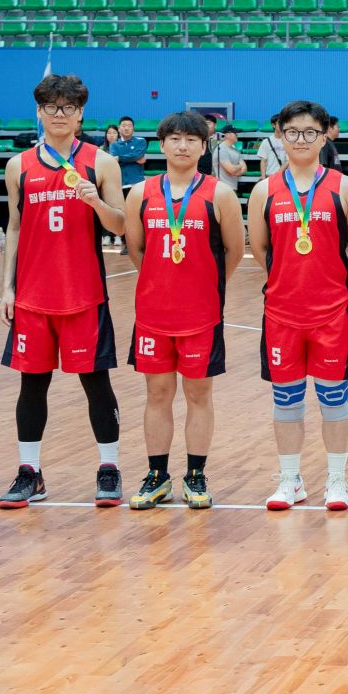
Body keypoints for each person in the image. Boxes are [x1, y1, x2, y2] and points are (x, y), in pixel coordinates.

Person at [0, 74, 130, 508]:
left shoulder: (101, 162)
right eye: (51, 106)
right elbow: (14, 227)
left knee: (96, 383)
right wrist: (7, 287)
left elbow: (121, 225)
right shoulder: (18, 165)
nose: (59, 113)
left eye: (68, 107)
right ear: (39, 112)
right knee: (31, 385)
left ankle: (109, 468)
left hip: (84, 294)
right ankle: (29, 473)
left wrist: (96, 203)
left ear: (80, 114)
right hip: (33, 296)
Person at [251, 99, 348, 511]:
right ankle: (290, 480)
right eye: (292, 132)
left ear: (324, 137)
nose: (300, 140)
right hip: (281, 314)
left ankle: (337, 480)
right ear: (280, 136)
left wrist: (338, 283)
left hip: (331, 312)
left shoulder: (344, 187)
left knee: (334, 397)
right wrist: (287, 281)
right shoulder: (264, 190)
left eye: (309, 132)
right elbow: (259, 249)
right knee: (286, 400)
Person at [124, 112, 246, 511]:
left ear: (203, 146)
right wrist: (160, 281)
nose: (182, 145)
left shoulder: (219, 194)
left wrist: (204, 285)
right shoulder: (140, 193)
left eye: (191, 139)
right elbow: (136, 250)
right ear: (161, 145)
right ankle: (157, 476)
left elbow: (234, 251)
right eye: (174, 138)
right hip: (153, 314)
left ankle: (195, 475)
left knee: (198, 394)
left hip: (201, 315)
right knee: (157, 394)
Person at [109, 116, 149, 190]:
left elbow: (137, 155)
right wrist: (134, 159)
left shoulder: (141, 141)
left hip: (138, 183)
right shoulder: (114, 145)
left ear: (133, 129)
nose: (126, 128)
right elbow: (114, 162)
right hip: (121, 184)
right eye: (123, 126)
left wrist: (119, 158)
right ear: (119, 128)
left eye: (129, 126)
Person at [215, 126, 248, 192]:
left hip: (232, 187)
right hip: (222, 188)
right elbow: (232, 170)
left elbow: (245, 168)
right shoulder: (221, 149)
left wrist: (236, 171)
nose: (237, 135)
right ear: (228, 135)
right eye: (235, 133)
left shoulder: (235, 150)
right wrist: (239, 166)